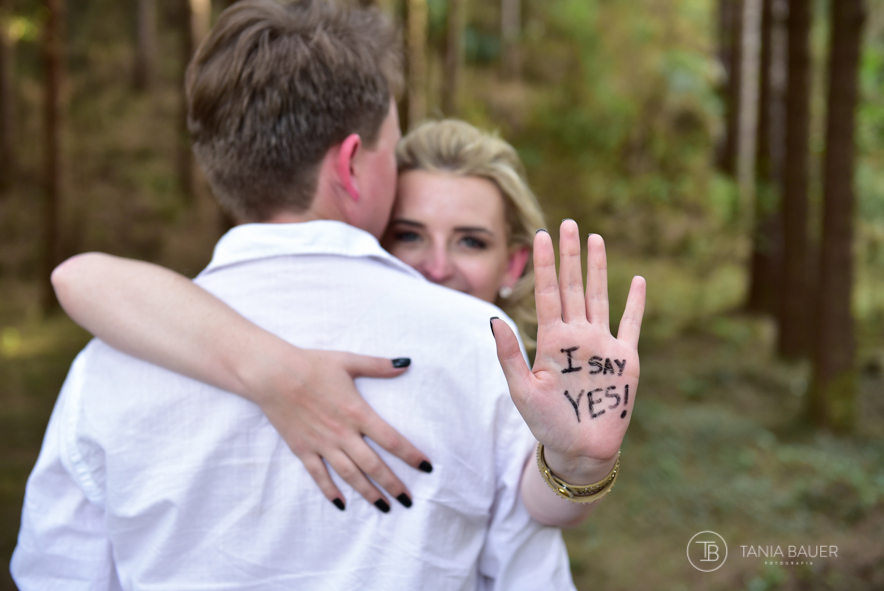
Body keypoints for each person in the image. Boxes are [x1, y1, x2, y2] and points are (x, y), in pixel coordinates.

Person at [12, 1, 645, 589]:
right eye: (390, 151)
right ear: (350, 165)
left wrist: (575, 467)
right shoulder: (476, 348)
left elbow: (58, 574)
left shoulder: (109, 364)